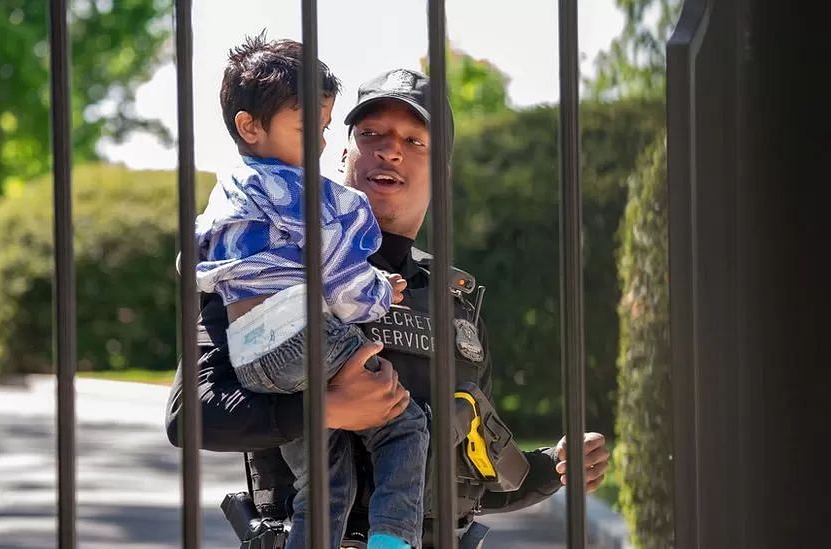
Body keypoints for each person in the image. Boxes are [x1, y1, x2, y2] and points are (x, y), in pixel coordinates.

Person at [166, 66, 610, 548]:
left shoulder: (454, 302)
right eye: (371, 134)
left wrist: (553, 467)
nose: (391, 149)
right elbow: (191, 416)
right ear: (342, 153)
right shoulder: (269, 265)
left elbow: (459, 484)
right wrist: (324, 411)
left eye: (415, 141)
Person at [191, 33, 427, 549]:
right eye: (311, 129)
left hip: (252, 356)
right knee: (405, 427)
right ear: (249, 126)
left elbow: (198, 257)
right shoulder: (316, 199)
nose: (318, 145)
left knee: (324, 478)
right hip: (298, 336)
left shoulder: (229, 190)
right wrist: (381, 293)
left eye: (415, 142)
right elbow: (342, 284)